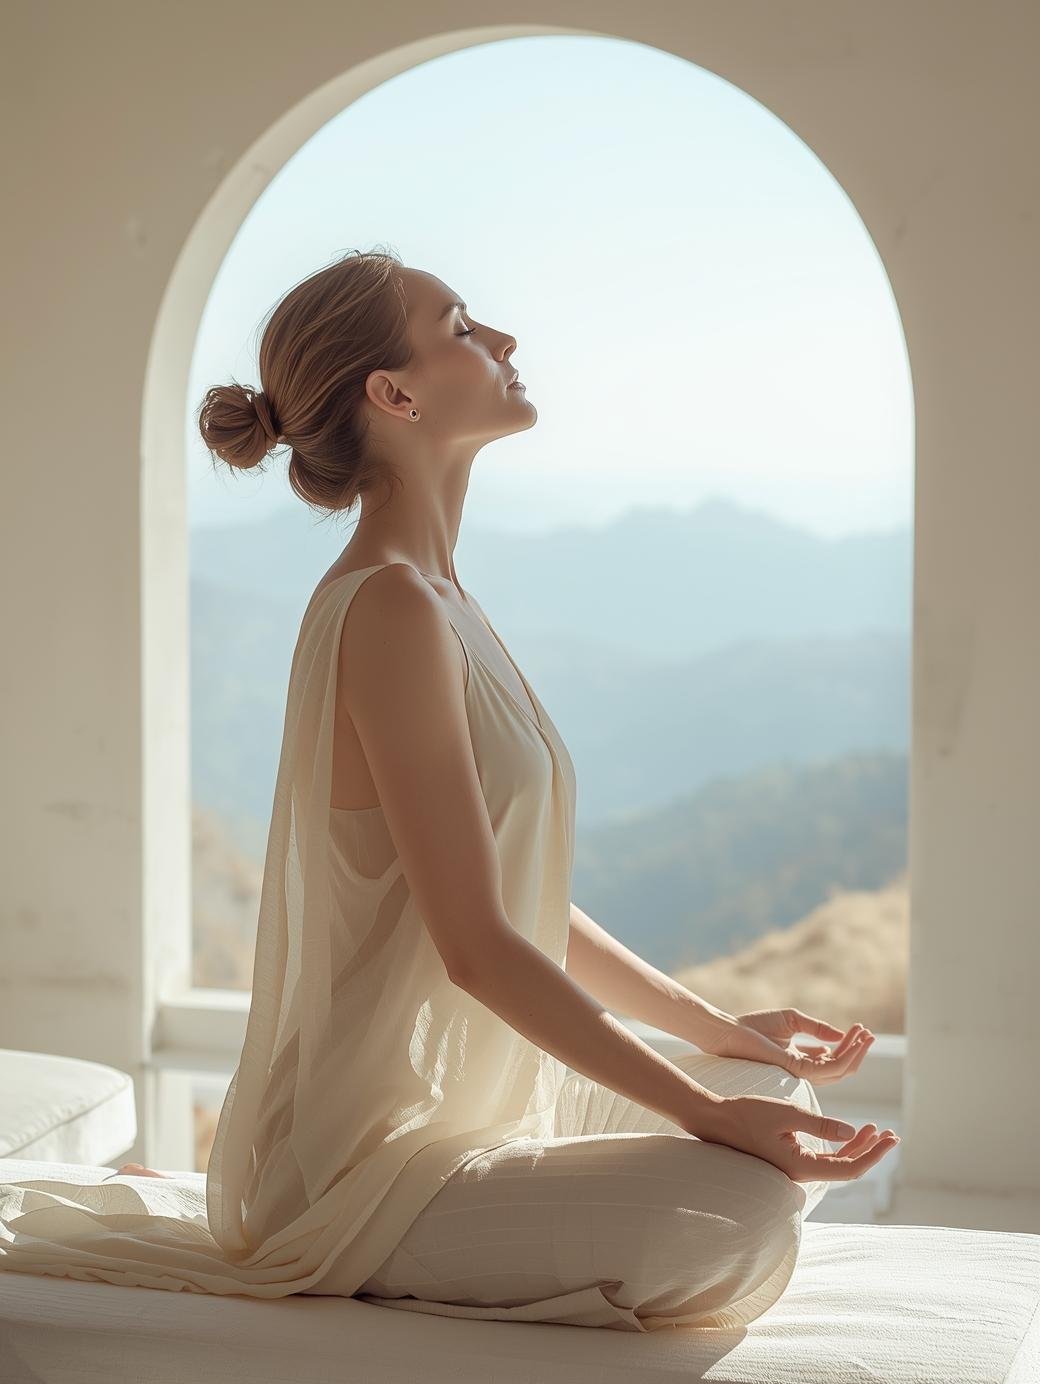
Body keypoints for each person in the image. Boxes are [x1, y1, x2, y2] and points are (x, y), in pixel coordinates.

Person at [2, 248, 897, 1330]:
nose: (505, 341)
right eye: (464, 325)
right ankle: (366, 1228)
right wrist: (701, 1108)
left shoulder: (442, 598)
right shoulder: (388, 610)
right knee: (731, 1215)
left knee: (775, 1099)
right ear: (395, 393)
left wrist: (717, 1036)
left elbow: (511, 894)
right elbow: (476, 944)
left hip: (468, 1108)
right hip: (369, 1156)